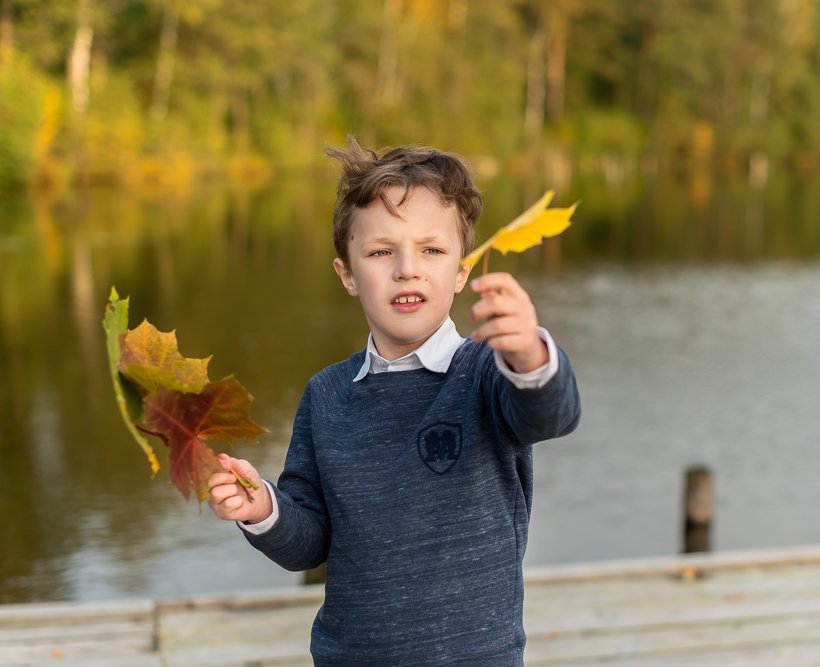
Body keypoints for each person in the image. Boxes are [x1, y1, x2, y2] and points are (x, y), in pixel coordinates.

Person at [207, 137, 581, 666]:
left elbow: (553, 414)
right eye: (381, 252)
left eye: (431, 250)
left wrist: (527, 351)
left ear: (462, 270)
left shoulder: (486, 370)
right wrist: (264, 510)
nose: (408, 268)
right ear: (348, 275)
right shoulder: (326, 396)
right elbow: (310, 542)